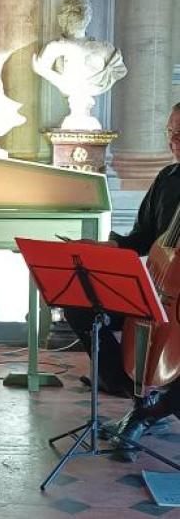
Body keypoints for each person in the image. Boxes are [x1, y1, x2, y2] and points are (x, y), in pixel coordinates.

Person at [64, 102, 180, 460]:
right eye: (170, 132)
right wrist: (104, 247)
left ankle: (150, 410)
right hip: (159, 291)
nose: (175, 141)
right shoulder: (168, 179)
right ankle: (126, 386)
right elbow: (142, 237)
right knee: (80, 305)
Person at [32, 0, 127, 131]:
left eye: (85, 9)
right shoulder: (55, 48)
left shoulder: (105, 49)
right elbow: (41, 68)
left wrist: (46, 73)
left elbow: (120, 71)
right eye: (76, 11)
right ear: (64, 18)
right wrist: (46, 73)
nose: (82, 14)